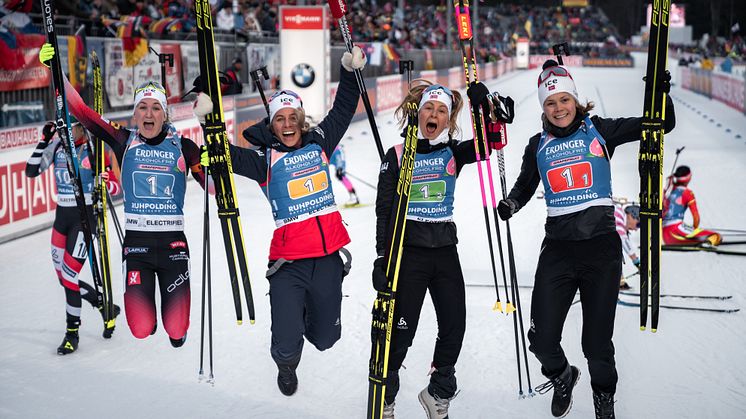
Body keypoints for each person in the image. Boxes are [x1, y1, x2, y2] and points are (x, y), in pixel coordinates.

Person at [496, 60, 675, 418]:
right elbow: (526, 183)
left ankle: (603, 398)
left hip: (601, 249)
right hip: (558, 250)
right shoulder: (537, 145)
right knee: (541, 340)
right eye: (550, 103)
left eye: (564, 100)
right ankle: (562, 376)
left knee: (596, 347)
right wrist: (512, 202)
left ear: (576, 101)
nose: (558, 108)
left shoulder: (600, 131)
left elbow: (661, 124)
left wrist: (661, 93)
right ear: (543, 107)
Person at [194, 45, 366, 396]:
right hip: (289, 264)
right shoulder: (264, 160)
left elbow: (344, 108)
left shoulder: (320, 142)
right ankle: (287, 366)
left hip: (328, 260)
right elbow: (225, 155)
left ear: (301, 120)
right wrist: (207, 120)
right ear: (271, 125)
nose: (287, 124)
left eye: (292, 117)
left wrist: (349, 71)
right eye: (279, 119)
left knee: (326, 340)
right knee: (287, 344)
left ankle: (306, 315)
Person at [39, 43, 209, 348]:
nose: (148, 113)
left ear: (164, 113)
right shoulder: (122, 140)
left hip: (173, 246)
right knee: (142, 329)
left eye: (155, 107)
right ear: (135, 113)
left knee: (175, 329)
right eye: (142, 107)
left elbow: (212, 189)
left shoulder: (184, 147)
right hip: (137, 246)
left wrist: (212, 166)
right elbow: (80, 110)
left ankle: (176, 326)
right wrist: (56, 73)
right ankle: (158, 320)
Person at [372, 80, 505, 418]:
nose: (434, 114)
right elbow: (384, 209)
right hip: (409, 253)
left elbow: (491, 144)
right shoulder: (397, 155)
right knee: (401, 331)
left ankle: (438, 391)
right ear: (417, 112)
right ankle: (385, 396)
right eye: (429, 108)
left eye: (441, 111)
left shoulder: (454, 152)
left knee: (454, 325)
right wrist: (381, 257)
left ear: (448, 120)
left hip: (445, 249)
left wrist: (486, 107)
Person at [25, 117, 122, 355]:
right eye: (60, 128)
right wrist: (44, 140)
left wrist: (103, 182)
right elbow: (31, 170)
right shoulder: (57, 146)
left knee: (70, 276)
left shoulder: (93, 149)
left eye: (67, 128)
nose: (63, 132)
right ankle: (101, 303)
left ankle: (72, 334)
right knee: (63, 279)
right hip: (62, 219)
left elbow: (116, 187)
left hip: (84, 219)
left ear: (80, 128)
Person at [662, 166, 722, 246]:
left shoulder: (667, 190)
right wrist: (694, 230)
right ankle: (706, 244)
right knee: (716, 236)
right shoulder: (687, 193)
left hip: (663, 235)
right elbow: (696, 218)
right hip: (675, 233)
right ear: (688, 178)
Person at [614, 203, 640, 290]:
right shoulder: (619, 219)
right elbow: (624, 242)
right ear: (631, 216)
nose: (636, 229)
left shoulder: (618, 213)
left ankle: (620, 281)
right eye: (638, 224)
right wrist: (638, 263)